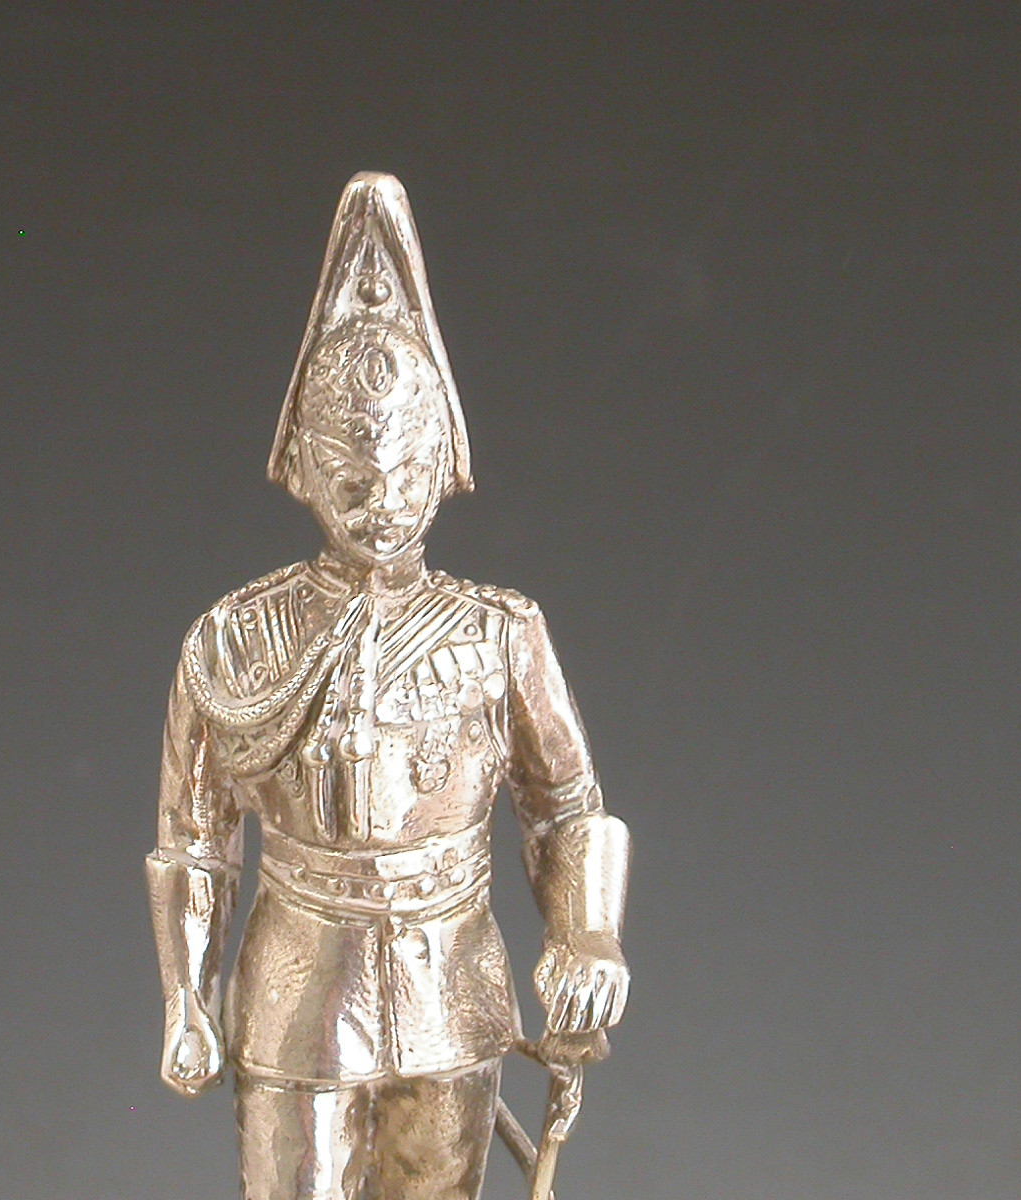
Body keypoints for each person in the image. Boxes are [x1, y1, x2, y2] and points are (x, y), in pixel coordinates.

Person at [145, 172, 630, 1200]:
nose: (384, 506)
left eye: (406, 476)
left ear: (443, 459)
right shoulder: (236, 644)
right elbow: (194, 838)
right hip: (295, 987)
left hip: (452, 984)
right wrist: (186, 998)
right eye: (356, 482)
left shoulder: (500, 633)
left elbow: (567, 807)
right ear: (304, 470)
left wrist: (587, 933)